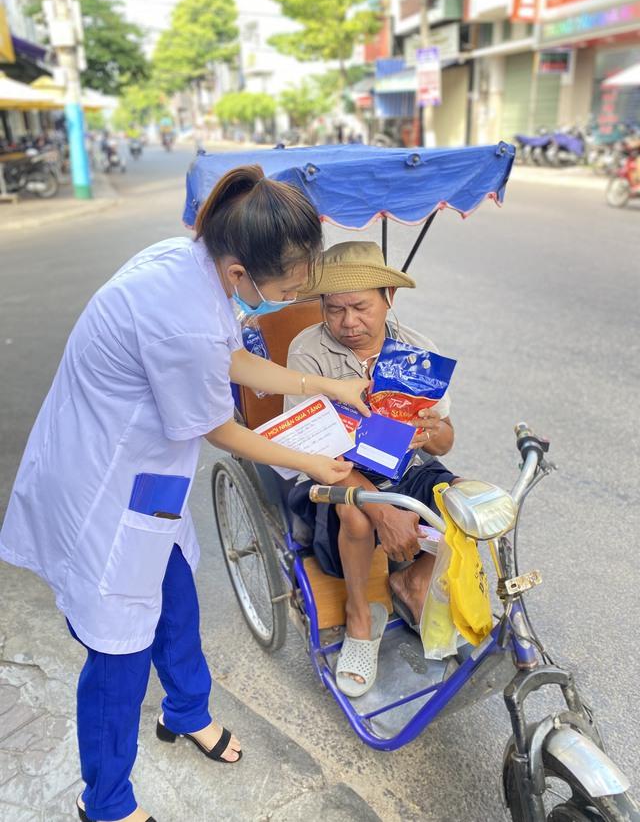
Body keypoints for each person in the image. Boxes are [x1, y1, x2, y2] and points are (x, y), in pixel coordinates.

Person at [0, 166, 370, 822]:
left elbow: (230, 358)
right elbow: (220, 428)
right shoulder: (185, 316)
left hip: (145, 478)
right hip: (104, 492)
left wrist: (324, 386)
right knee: (118, 655)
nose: (290, 300)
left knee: (175, 596)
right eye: (286, 291)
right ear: (241, 273)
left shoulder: (192, 264)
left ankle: (185, 710)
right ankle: (105, 801)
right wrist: (311, 460)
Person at [286, 241, 458, 698]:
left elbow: (445, 441)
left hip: (403, 466)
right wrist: (382, 510)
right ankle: (361, 618)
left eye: (360, 307)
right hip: (332, 471)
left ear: (389, 298)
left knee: (466, 503)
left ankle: (413, 580)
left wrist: (431, 430)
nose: (348, 322)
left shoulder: (417, 351)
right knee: (357, 514)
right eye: (334, 309)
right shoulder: (308, 351)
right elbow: (316, 450)